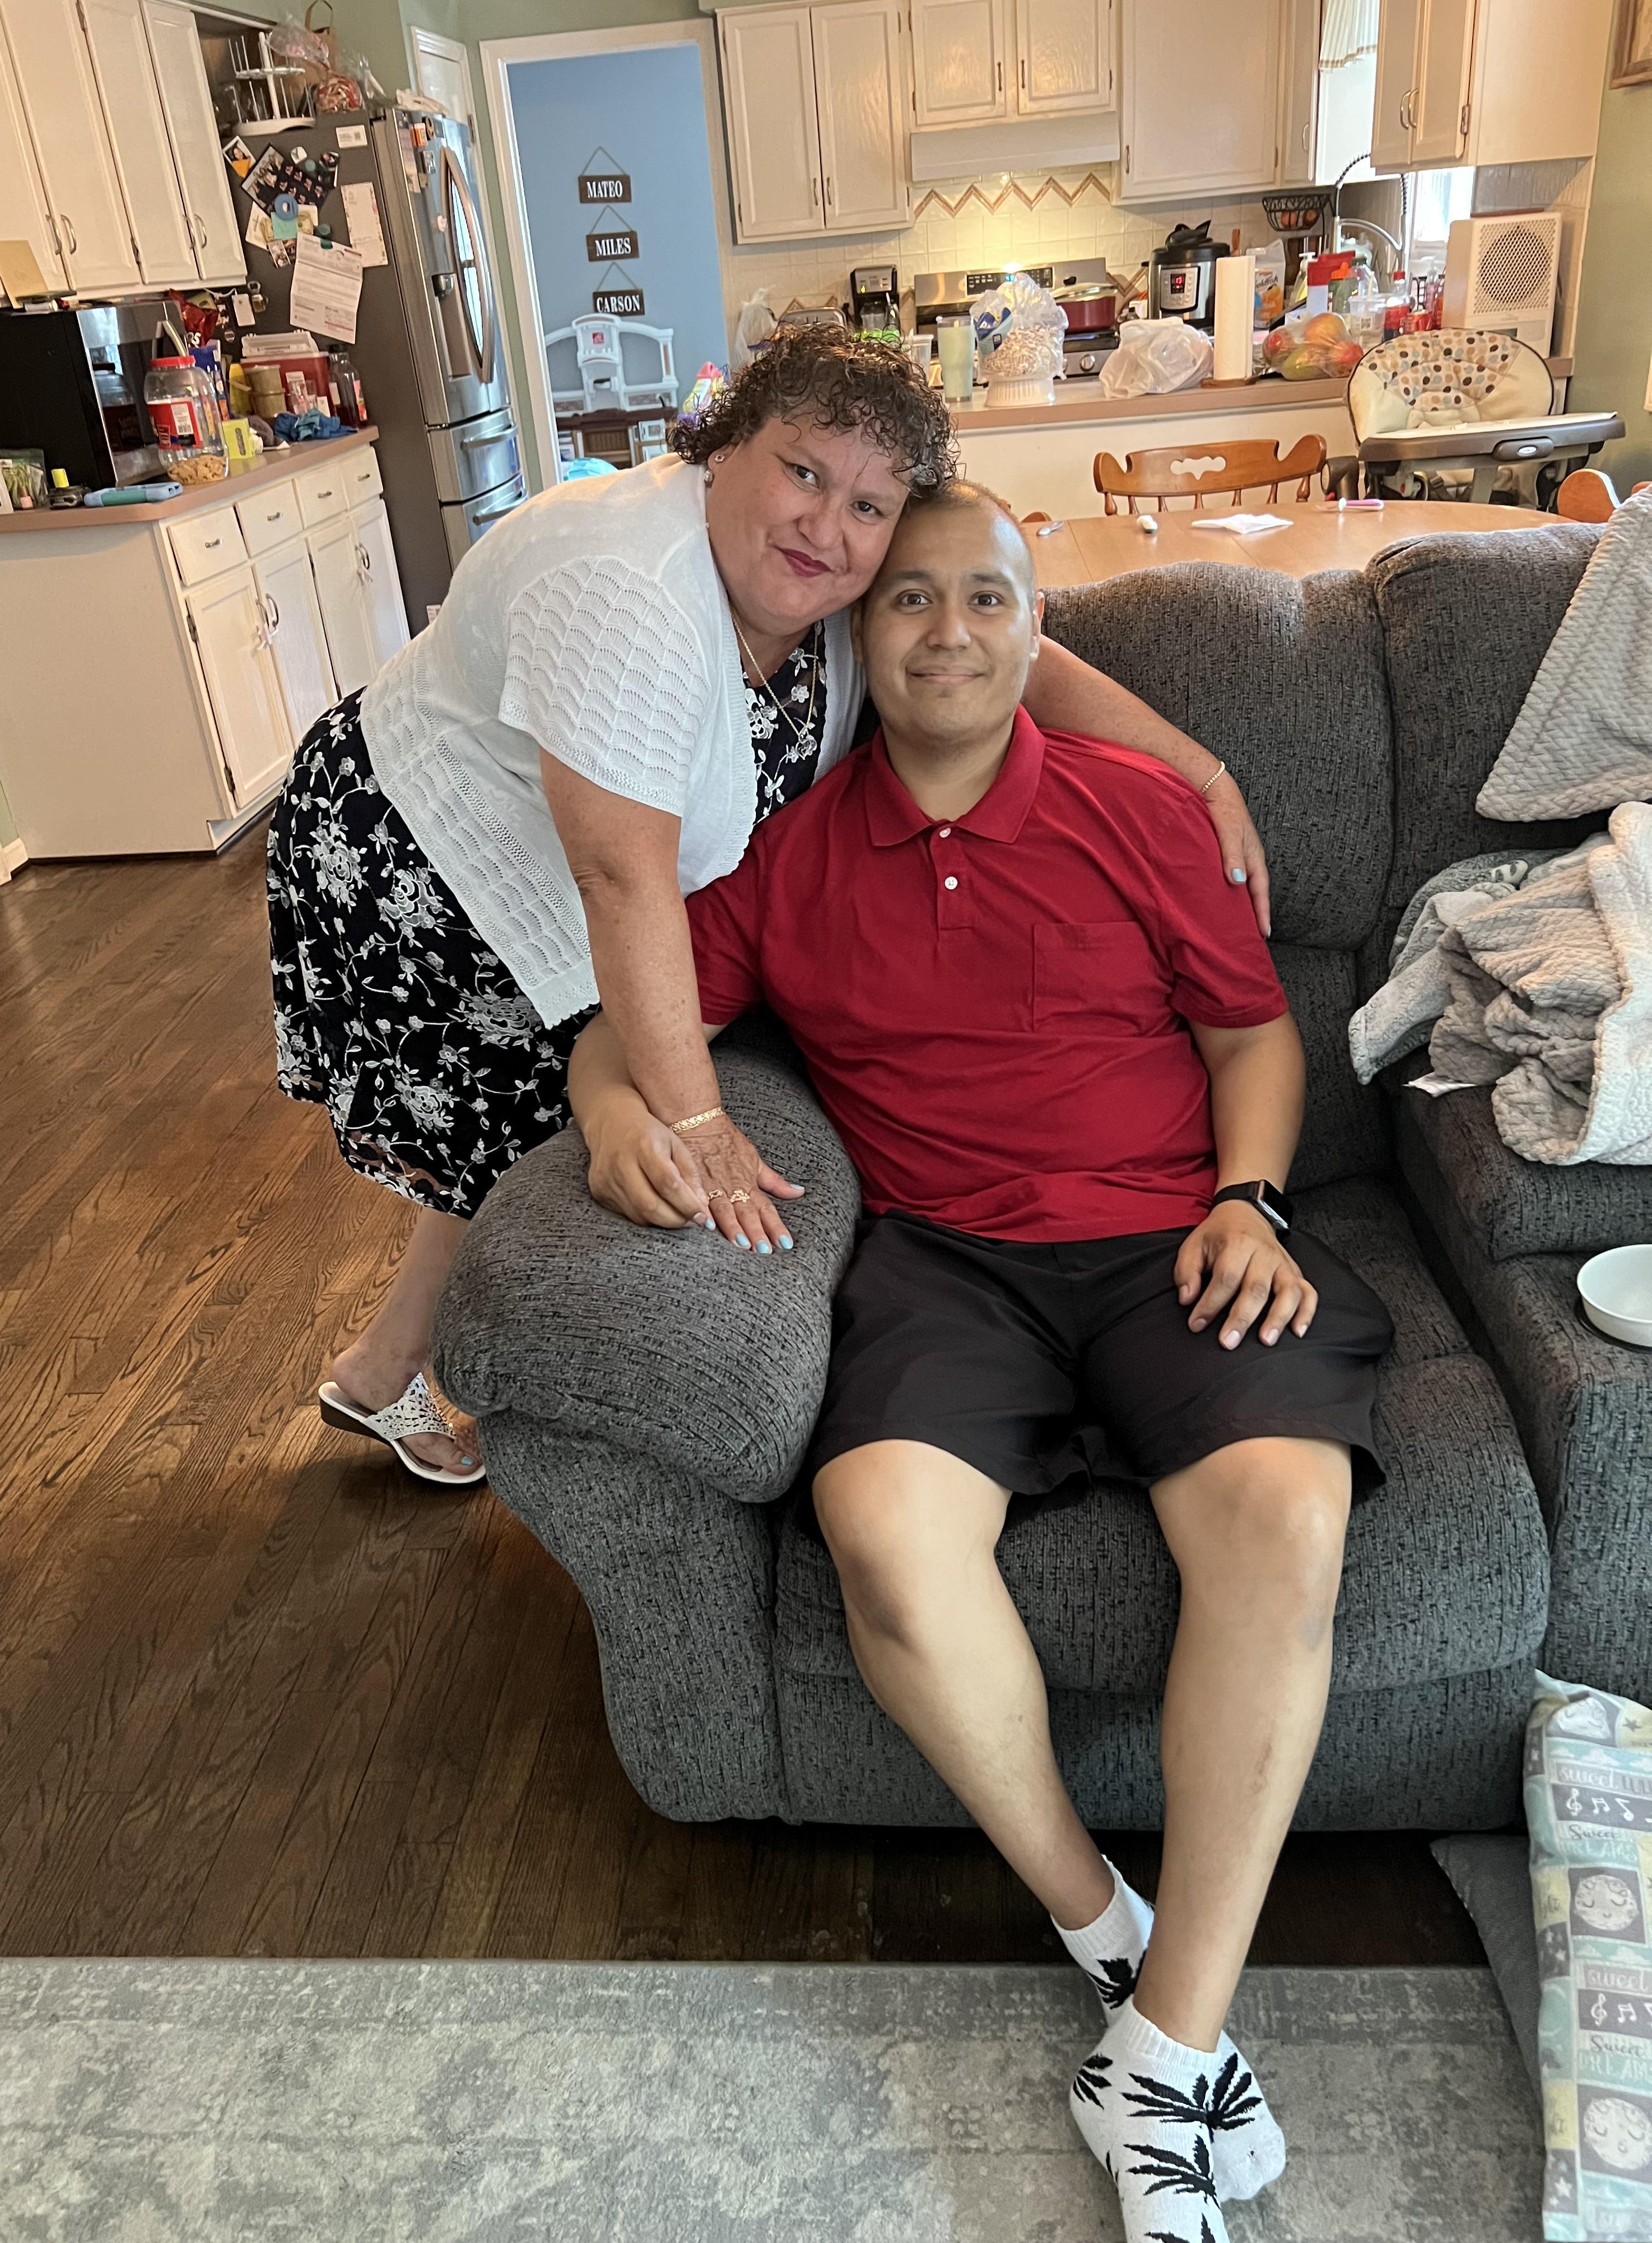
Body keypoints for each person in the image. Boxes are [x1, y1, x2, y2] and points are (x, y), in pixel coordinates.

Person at [567, 482, 1393, 2243]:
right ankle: (1112, 1937)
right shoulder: (788, 863)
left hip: (1176, 1235)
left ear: (1036, 627)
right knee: (879, 1530)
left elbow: (1253, 1034)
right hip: (946, 1266)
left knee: (1285, 1520)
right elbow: (629, 1020)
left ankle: (1160, 2059)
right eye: (911, 600)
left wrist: (1252, 1198)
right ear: (860, 639)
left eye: (990, 599)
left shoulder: (1139, 810)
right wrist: (612, 1111)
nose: (951, 631)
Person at [268, 328, 1270, 1484]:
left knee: (540, 1120)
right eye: (803, 471)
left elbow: (1005, 652)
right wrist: (700, 1123)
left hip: (594, 868)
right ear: (723, 446)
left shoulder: (822, 577)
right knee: (526, 1127)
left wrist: (1199, 771)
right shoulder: (625, 585)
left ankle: (379, 1368)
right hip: (435, 853)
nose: (825, 525)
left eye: (867, 505)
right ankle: (393, 1369)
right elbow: (620, 878)